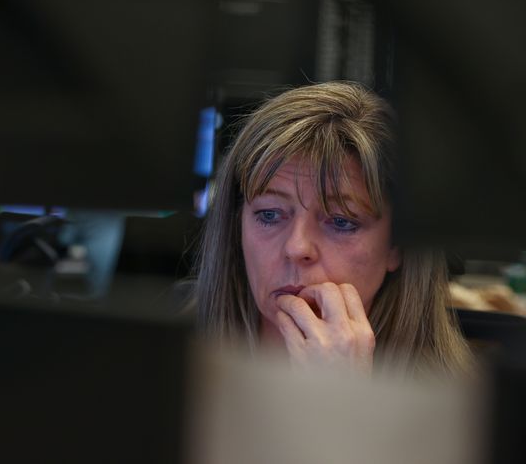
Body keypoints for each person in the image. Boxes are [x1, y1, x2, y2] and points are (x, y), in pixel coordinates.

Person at [195, 82, 471, 375]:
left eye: (341, 221)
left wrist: (340, 395)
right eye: (270, 214)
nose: (296, 247)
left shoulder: (454, 401)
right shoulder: (168, 353)